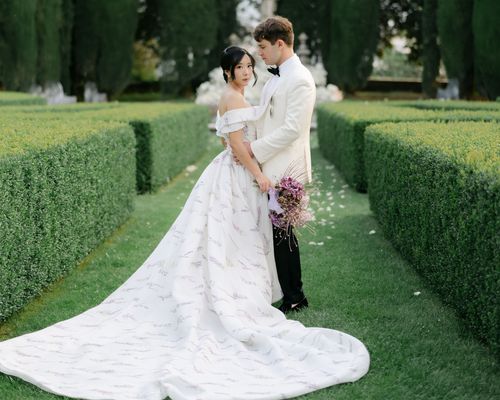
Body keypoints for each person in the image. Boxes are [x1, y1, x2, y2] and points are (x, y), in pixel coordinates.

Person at [0, 46, 369, 400]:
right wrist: (259, 174)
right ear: (227, 72)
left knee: (232, 238)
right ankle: (231, 294)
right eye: (240, 67)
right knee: (227, 237)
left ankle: (243, 288)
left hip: (235, 173)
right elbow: (238, 146)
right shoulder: (233, 98)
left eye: (248, 66)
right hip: (240, 173)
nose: (246, 72)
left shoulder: (239, 95)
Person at [243, 16, 315, 314]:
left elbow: (292, 130)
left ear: (280, 44)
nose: (259, 53)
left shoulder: (300, 79)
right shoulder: (275, 78)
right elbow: (266, 116)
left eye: (262, 47)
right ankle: (286, 293)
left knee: (284, 235)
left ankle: (295, 296)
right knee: (276, 234)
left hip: (286, 170)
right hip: (269, 167)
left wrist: (253, 150)